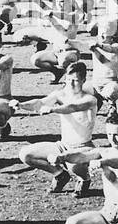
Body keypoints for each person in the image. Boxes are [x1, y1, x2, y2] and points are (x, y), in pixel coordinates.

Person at [14, 61, 98, 195]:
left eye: (75, 80)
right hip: (62, 145)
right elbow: (40, 102)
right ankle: (60, 174)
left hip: (83, 146)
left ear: (83, 80)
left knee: (75, 166)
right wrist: (20, 105)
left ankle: (84, 179)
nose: (71, 84)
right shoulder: (61, 94)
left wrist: (53, 109)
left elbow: (72, 107)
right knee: (26, 154)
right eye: (68, 79)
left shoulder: (90, 99)